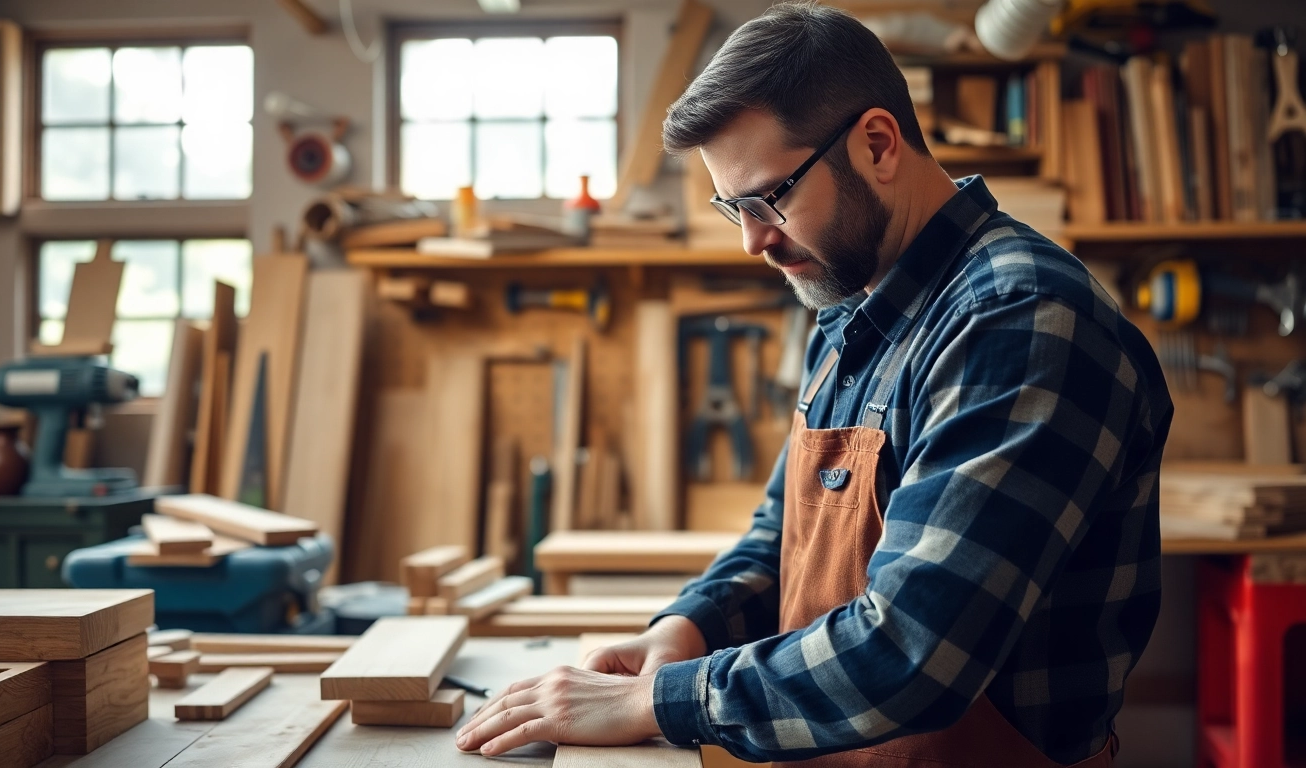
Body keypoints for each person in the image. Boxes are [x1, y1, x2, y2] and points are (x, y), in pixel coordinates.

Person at [456, 3, 1173, 765]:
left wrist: (655, 701)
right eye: (733, 207)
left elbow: (913, 651)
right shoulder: (851, 304)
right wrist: (687, 628)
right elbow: (785, 539)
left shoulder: (1020, 321)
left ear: (877, 144)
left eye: (769, 198)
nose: (752, 240)